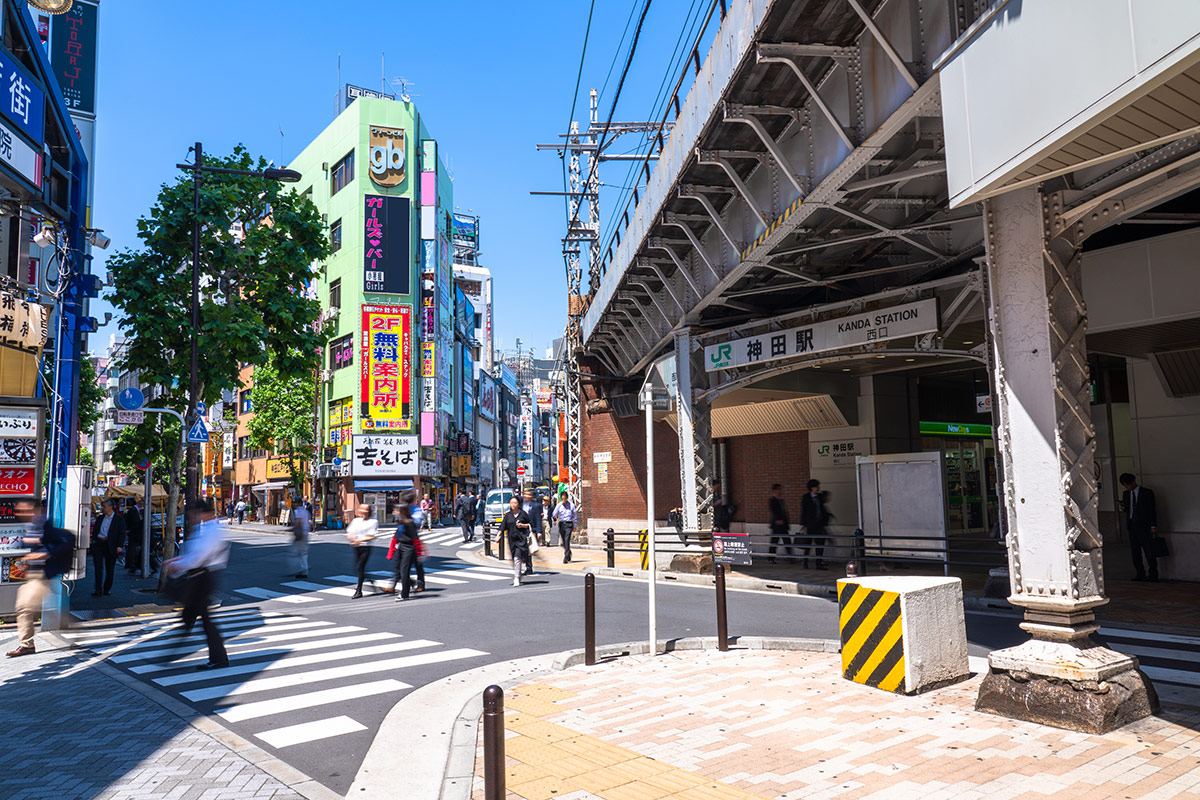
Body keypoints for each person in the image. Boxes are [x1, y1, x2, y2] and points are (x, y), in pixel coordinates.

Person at [164, 499, 229, 669]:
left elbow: (200, 557)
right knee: (192, 617)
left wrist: (178, 565)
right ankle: (170, 654)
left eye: (196, 513)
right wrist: (177, 561)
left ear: (205, 513)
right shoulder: (207, 529)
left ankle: (218, 659)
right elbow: (195, 555)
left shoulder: (212, 530)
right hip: (200, 577)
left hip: (203, 577)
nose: (194, 517)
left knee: (202, 620)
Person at [7, 502, 74, 657]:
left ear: (37, 510)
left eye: (25, 510)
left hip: (42, 575)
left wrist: (46, 553)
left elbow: (67, 540)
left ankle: (27, 645)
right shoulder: (32, 527)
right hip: (33, 574)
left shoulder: (47, 526)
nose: (21, 514)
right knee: (27, 606)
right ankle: (69, 621)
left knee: (24, 607)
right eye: (19, 511)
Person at [1120, 473, 1159, 582]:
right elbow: (1127, 509)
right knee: (1135, 551)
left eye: (1128, 485)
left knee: (1149, 550)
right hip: (1132, 525)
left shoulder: (1147, 493)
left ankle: (1153, 574)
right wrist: (1122, 506)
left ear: (1133, 482)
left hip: (1145, 526)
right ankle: (1140, 573)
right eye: (1125, 486)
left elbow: (1152, 510)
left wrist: (1153, 525)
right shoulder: (1126, 494)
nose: (1127, 488)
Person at [90, 499, 126, 596]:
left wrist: (119, 545)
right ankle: (98, 589)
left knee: (110, 568)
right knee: (98, 567)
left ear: (110, 507)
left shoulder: (118, 519)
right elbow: (96, 530)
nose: (103, 508)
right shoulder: (101, 518)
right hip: (99, 543)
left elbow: (122, 533)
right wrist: (94, 541)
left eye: (104, 506)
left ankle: (107, 588)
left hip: (110, 545)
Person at [391, 490, 421, 600]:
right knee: (400, 569)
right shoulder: (401, 522)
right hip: (401, 547)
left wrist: (419, 553)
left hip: (409, 548)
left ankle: (405, 594)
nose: (395, 512)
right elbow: (397, 535)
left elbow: (415, 539)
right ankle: (410, 585)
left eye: (397, 510)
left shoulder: (410, 523)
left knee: (404, 571)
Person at [345, 503, 378, 598]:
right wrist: (352, 539)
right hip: (357, 547)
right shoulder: (356, 521)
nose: (364, 511)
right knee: (358, 568)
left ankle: (359, 590)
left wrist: (359, 540)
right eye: (362, 509)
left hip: (366, 547)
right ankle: (370, 581)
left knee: (360, 567)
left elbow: (371, 536)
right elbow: (350, 531)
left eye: (366, 509)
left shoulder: (373, 521)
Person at [500, 496, 532, 587]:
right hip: (512, 540)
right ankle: (519, 572)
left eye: (515, 503)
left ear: (518, 504)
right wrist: (498, 536)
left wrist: (523, 525)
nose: (513, 505)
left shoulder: (523, 514)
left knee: (517, 558)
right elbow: (502, 526)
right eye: (511, 503)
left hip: (522, 539)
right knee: (515, 558)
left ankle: (516, 577)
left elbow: (530, 524)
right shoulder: (508, 515)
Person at [799, 479, 829, 570]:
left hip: (819, 524)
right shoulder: (806, 497)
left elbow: (823, 508)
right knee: (808, 544)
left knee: (820, 544)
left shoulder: (819, 497)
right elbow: (803, 511)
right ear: (812, 488)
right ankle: (805, 562)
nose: (818, 488)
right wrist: (802, 523)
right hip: (810, 524)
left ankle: (818, 563)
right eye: (816, 486)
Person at [767, 484, 791, 564]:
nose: (780, 491)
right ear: (774, 491)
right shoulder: (772, 500)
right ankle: (771, 558)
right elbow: (773, 511)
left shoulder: (781, 500)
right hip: (777, 524)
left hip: (783, 524)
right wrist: (777, 519)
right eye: (778, 490)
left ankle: (791, 557)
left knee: (787, 540)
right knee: (774, 541)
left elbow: (784, 511)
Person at [521, 490, 542, 576]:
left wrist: (539, 531)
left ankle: (529, 567)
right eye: (525, 494)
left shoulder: (536, 506)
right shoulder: (520, 505)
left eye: (529, 495)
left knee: (528, 549)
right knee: (522, 549)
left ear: (532, 496)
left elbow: (538, 519)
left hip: (531, 529)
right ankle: (526, 563)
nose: (527, 496)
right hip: (521, 529)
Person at [552, 493, 576, 563]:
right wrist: (556, 513)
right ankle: (568, 552)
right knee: (563, 541)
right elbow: (554, 514)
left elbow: (574, 515)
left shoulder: (571, 505)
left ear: (567, 498)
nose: (563, 500)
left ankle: (566, 557)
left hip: (569, 524)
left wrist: (575, 525)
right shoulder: (559, 505)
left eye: (564, 499)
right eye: (562, 499)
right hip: (562, 524)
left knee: (567, 539)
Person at [291, 500, 311, 579]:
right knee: (304, 553)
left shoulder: (298, 511)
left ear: (297, 503)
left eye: (295, 502)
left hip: (300, 534)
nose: (294, 504)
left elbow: (299, 522)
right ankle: (304, 570)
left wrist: (293, 529)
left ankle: (303, 571)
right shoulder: (306, 512)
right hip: (306, 533)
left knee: (299, 553)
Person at [125, 500, 144, 574]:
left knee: (133, 549)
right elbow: (135, 522)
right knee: (133, 549)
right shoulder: (133, 511)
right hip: (134, 532)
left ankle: (133, 565)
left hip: (135, 533)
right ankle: (132, 564)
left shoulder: (133, 510)